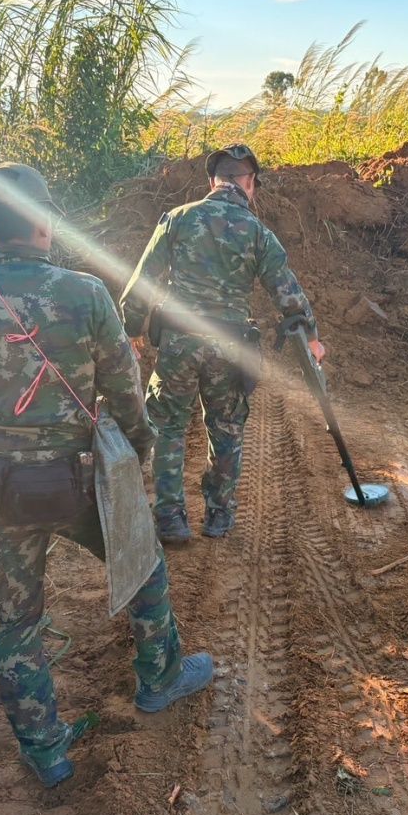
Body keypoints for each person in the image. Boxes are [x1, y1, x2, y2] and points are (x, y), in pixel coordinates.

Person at [0, 162, 213, 788]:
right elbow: (126, 394)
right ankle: (160, 678)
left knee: (13, 622)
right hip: (78, 483)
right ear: (47, 224)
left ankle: (46, 752)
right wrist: (135, 454)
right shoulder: (86, 296)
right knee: (143, 563)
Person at [119, 144, 325, 543]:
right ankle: (218, 516)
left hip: (179, 343)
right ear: (250, 185)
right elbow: (289, 296)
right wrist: (312, 339)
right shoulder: (259, 233)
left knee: (168, 427)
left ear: (212, 181)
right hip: (229, 347)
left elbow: (142, 281)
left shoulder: (178, 219)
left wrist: (131, 328)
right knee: (226, 429)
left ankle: (170, 519)